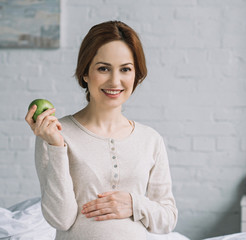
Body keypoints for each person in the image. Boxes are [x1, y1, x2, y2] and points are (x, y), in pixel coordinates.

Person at [25, 21, 178, 240]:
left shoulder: (150, 139)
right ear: (85, 73)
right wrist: (56, 146)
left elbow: (168, 219)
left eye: (125, 69)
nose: (115, 81)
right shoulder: (56, 133)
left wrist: (134, 204)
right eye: (103, 68)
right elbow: (61, 219)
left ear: (136, 75)